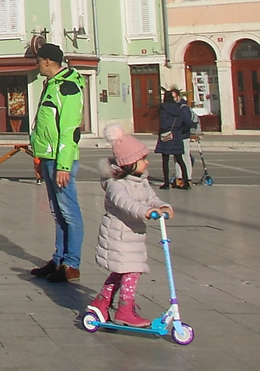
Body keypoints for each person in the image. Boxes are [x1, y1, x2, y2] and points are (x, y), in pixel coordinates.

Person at [84, 123, 173, 329]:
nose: (146, 162)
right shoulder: (116, 185)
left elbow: (151, 198)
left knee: (121, 272)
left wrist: (162, 206)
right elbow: (125, 203)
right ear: (130, 162)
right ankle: (125, 309)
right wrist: (144, 211)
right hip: (119, 236)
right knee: (132, 271)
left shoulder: (140, 181)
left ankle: (101, 302)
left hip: (132, 236)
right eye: (142, 159)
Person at [28, 43, 85, 284]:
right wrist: (38, 158)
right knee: (57, 212)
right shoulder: (50, 85)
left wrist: (63, 165)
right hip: (48, 157)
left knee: (69, 211)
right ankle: (59, 258)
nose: (37, 65)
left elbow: (70, 129)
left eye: (38, 61)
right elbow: (42, 126)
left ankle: (72, 263)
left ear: (48, 62)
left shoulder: (68, 87)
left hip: (61, 160)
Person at [155, 88, 196, 189]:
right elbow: (187, 122)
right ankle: (186, 181)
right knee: (180, 159)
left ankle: (166, 182)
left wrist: (162, 131)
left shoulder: (163, 109)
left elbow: (163, 123)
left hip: (167, 135)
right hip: (177, 135)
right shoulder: (179, 108)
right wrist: (180, 130)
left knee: (165, 160)